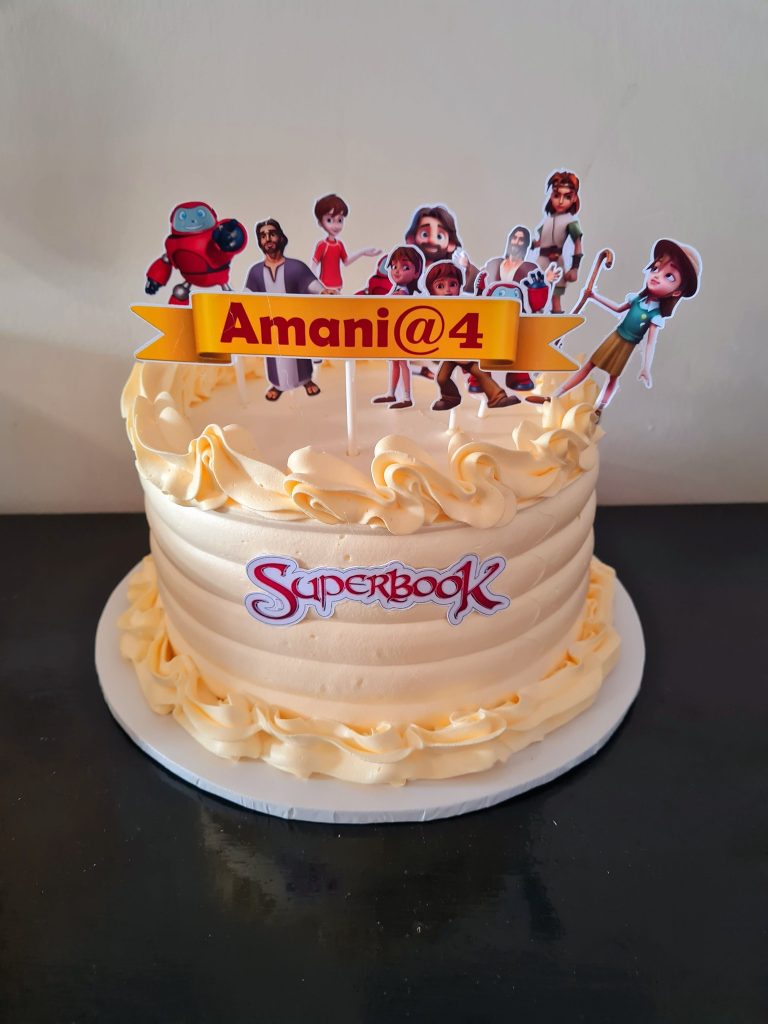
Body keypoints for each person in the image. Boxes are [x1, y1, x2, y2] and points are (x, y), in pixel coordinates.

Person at [532, 239, 701, 415]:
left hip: (626, 346)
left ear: (677, 291)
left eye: (669, 276)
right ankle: (554, 396)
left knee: (612, 378)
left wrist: (646, 366)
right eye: (656, 268)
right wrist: (594, 297)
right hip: (615, 337)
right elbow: (617, 309)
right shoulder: (636, 300)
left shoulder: (655, 316)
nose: (657, 276)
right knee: (589, 366)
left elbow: (651, 343)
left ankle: (599, 408)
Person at [244, 219, 323, 401]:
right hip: (271, 325)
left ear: (280, 237)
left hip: (294, 323)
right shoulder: (255, 271)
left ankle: (306, 380)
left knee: (298, 353)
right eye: (263, 236)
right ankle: (277, 384)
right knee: (274, 356)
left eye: (272, 234)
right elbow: (248, 293)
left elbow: (311, 283)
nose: (268, 239)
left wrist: (323, 291)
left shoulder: (296, 266)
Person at [426, 262, 519, 412]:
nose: (447, 290)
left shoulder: (464, 304)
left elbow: (479, 309)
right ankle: (450, 398)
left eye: (452, 284)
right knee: (442, 377)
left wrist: (480, 288)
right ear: (431, 290)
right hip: (449, 351)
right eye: (440, 286)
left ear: (460, 286)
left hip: (466, 348)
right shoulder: (431, 309)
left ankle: (497, 397)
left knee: (479, 372)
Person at [372, 246, 423, 410]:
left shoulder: (403, 293)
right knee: (394, 363)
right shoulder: (396, 290)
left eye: (405, 267)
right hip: (393, 333)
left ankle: (407, 396)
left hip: (401, 333)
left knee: (402, 363)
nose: (397, 271)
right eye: (394, 266)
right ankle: (391, 392)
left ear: (416, 273)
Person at [530, 171, 583, 313]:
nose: (560, 201)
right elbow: (540, 242)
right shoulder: (547, 220)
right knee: (536, 294)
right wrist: (527, 244)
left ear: (574, 198)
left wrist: (574, 268)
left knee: (555, 298)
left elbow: (577, 243)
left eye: (567, 197)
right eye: (557, 195)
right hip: (541, 262)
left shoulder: (570, 221)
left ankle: (555, 324)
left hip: (556, 263)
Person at [310, 193, 382, 292]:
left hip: (338, 285)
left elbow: (346, 261)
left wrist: (363, 252)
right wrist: (316, 285)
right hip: (324, 286)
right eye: (329, 220)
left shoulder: (339, 245)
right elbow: (313, 266)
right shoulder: (322, 245)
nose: (336, 226)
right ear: (320, 222)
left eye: (339, 220)